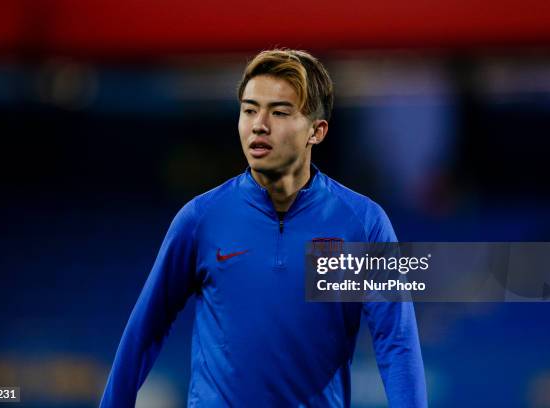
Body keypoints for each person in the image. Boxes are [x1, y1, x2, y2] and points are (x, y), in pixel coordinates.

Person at [100, 49, 427, 407]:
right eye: (250, 109)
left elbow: (396, 342)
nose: (259, 124)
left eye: (279, 112)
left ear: (316, 131)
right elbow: (144, 331)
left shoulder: (363, 224)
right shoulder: (200, 219)